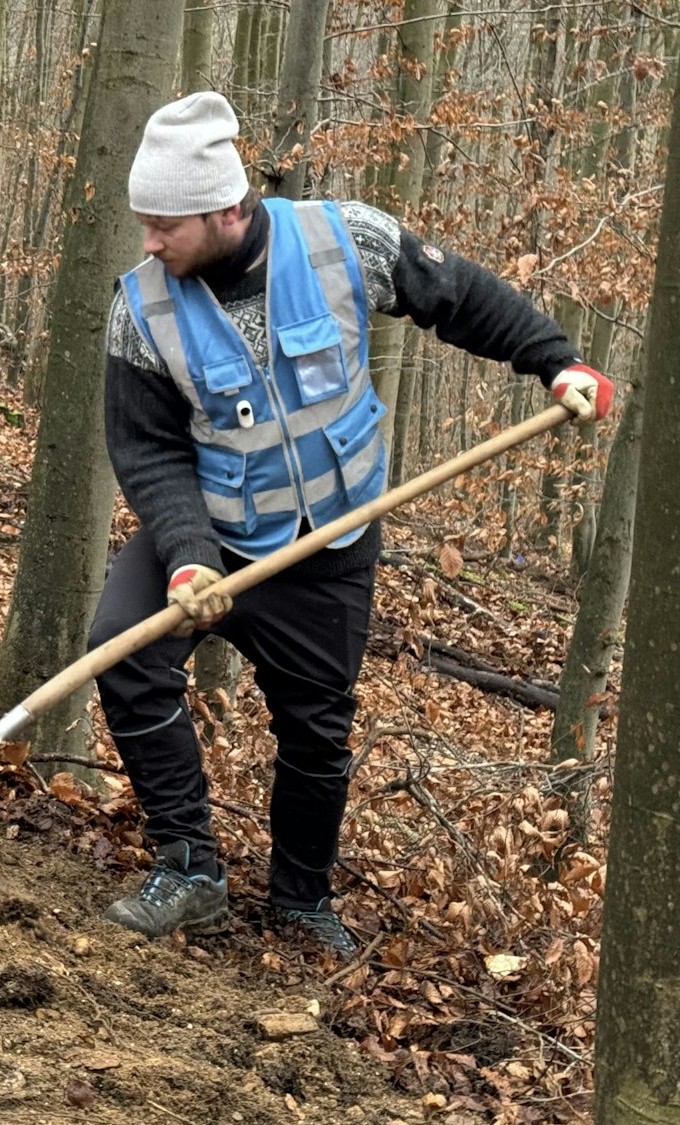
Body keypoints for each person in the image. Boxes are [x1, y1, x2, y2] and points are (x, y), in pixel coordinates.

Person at [92, 91, 614, 954]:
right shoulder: (140, 311)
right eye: (143, 223)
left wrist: (554, 361)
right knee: (126, 650)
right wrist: (186, 558)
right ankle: (189, 868)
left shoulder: (345, 240)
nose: (149, 242)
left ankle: (301, 901)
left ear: (227, 207)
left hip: (332, 536)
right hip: (213, 529)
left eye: (165, 226)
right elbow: (147, 451)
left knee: (317, 725)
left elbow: (461, 296)